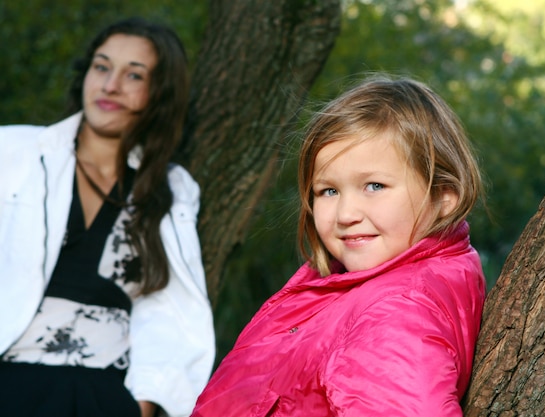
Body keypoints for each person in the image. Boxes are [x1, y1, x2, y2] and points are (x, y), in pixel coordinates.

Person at [191, 75, 486, 416]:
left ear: (444, 197)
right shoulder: (365, 288)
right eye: (328, 191)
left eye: (374, 186)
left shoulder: (397, 312)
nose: (346, 214)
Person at [0, 17, 215, 417]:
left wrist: (142, 405)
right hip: (10, 380)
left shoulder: (172, 188)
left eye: (133, 75)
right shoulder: (12, 152)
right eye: (102, 66)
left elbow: (168, 309)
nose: (110, 85)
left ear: (159, 93)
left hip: (104, 396)